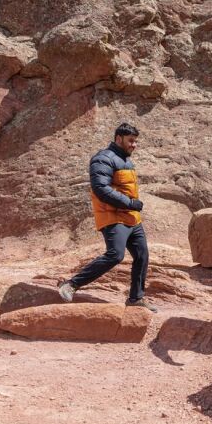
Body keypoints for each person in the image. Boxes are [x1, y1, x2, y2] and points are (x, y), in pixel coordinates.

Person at [58, 122, 157, 310]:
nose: (134, 145)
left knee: (142, 256)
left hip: (132, 218)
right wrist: (130, 203)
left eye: (135, 141)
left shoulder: (126, 161)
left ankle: (136, 299)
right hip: (113, 216)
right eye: (131, 141)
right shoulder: (103, 159)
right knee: (115, 255)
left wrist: (131, 206)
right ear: (119, 139)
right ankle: (71, 284)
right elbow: (101, 189)